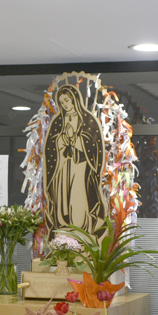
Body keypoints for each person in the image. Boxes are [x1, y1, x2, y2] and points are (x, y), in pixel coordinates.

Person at [43, 84, 107, 234]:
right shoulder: (58, 121)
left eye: (67, 100)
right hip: (63, 163)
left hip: (81, 164)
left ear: (74, 99)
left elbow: (93, 144)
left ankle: (81, 227)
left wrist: (76, 138)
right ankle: (63, 224)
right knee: (62, 194)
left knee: (79, 194)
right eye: (62, 102)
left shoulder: (88, 120)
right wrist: (62, 139)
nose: (65, 105)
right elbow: (51, 145)